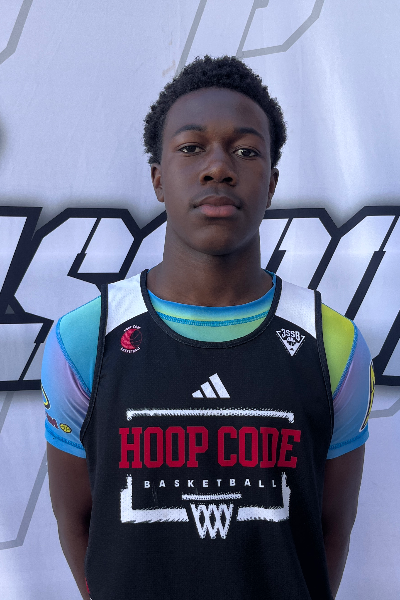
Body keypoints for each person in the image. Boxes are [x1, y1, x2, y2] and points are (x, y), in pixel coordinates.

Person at [42, 56, 374, 600]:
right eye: (192, 147)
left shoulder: (334, 344)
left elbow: (330, 530)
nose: (218, 168)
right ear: (157, 178)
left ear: (271, 183)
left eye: (246, 151)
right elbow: (79, 522)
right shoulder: (83, 339)